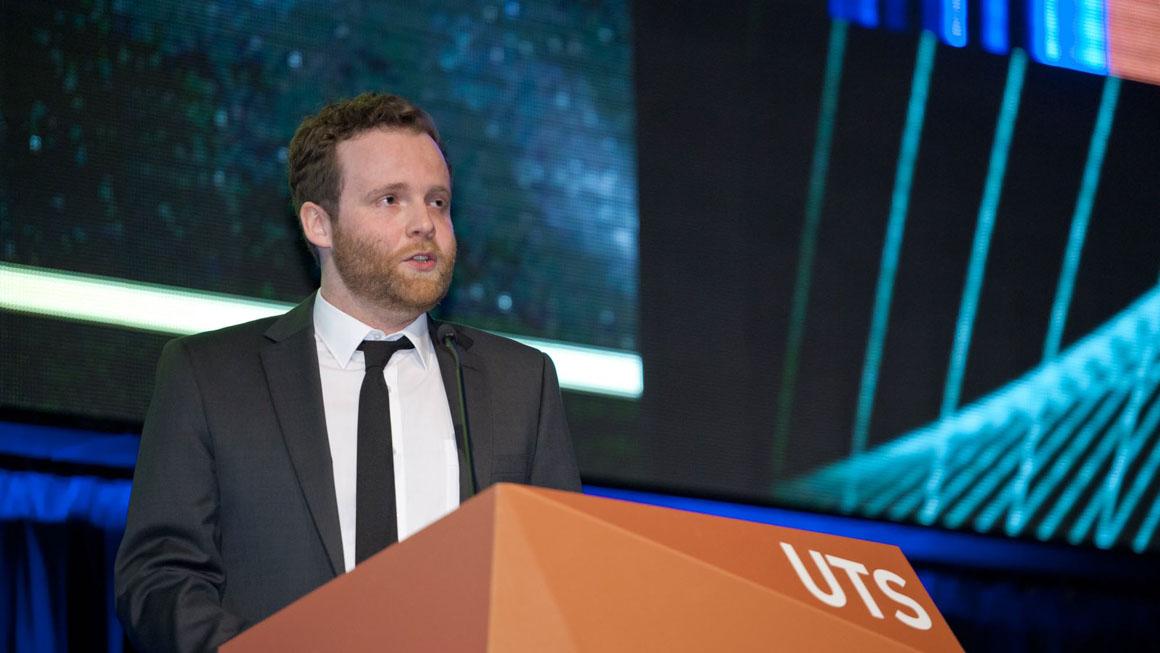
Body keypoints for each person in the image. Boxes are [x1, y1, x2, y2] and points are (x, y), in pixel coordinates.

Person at [114, 92, 581, 653]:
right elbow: (159, 580)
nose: (424, 224)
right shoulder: (210, 377)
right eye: (391, 200)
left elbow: (563, 587)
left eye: (438, 202)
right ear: (319, 223)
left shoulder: (519, 383)